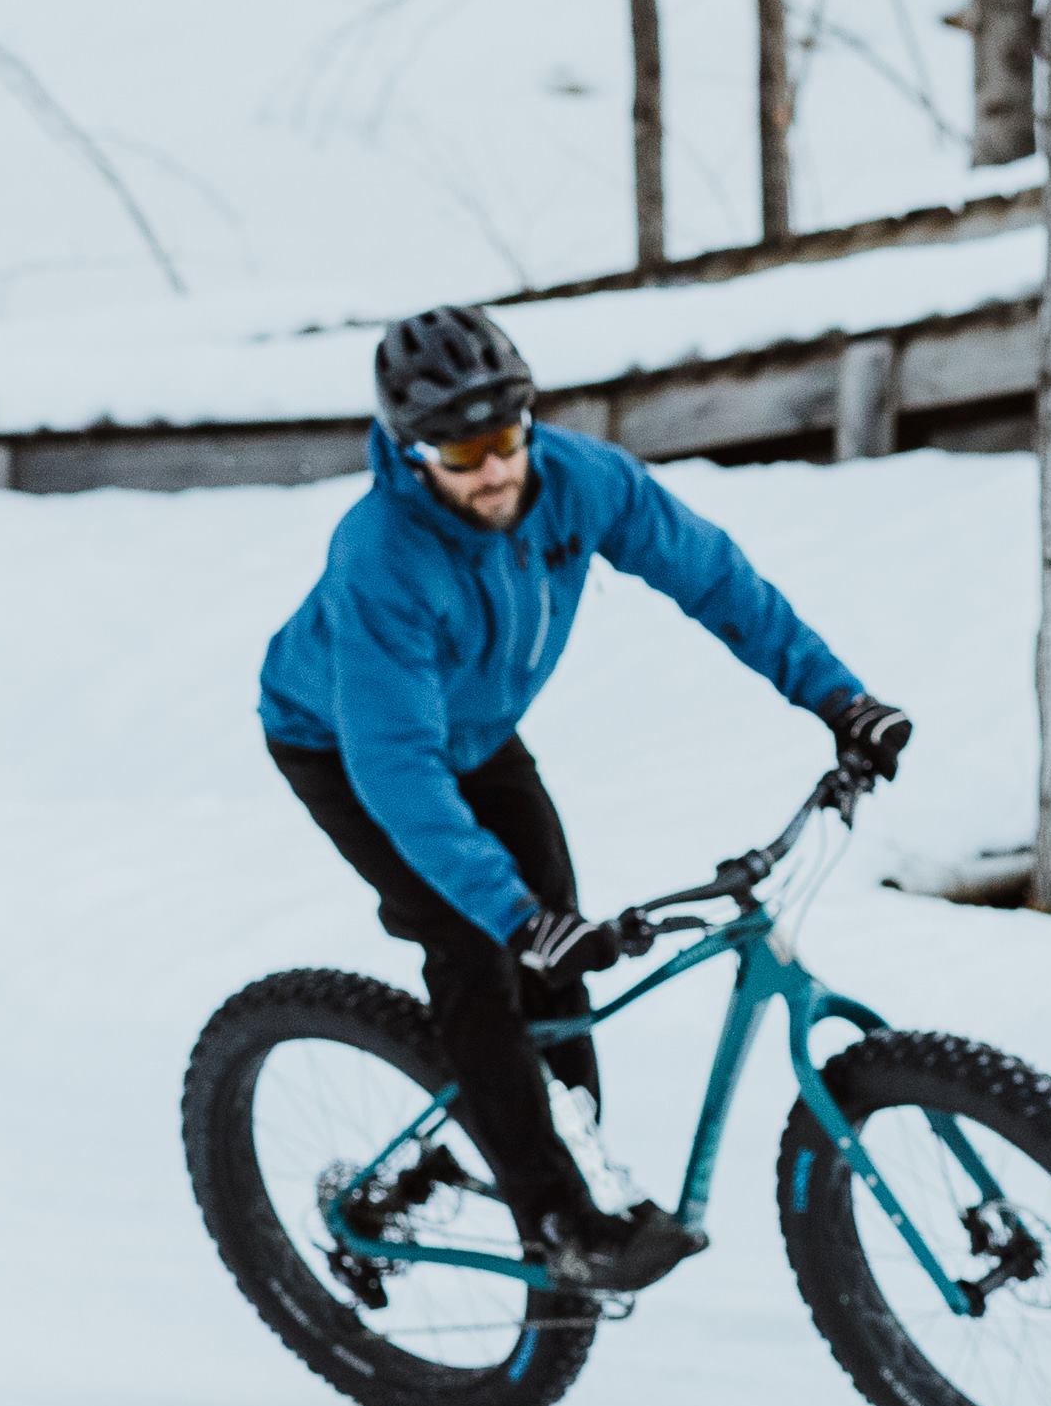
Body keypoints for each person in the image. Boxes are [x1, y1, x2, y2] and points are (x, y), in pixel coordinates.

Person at [259, 304, 913, 1293]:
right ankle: (557, 1218)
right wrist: (510, 915)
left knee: (560, 959)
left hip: (475, 734)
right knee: (482, 947)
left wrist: (842, 700)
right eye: (459, 448)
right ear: (410, 450)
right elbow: (395, 764)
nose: (491, 470)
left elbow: (717, 582)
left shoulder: (579, 481)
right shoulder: (382, 556)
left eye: (504, 437)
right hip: (344, 744)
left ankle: (576, 1159)